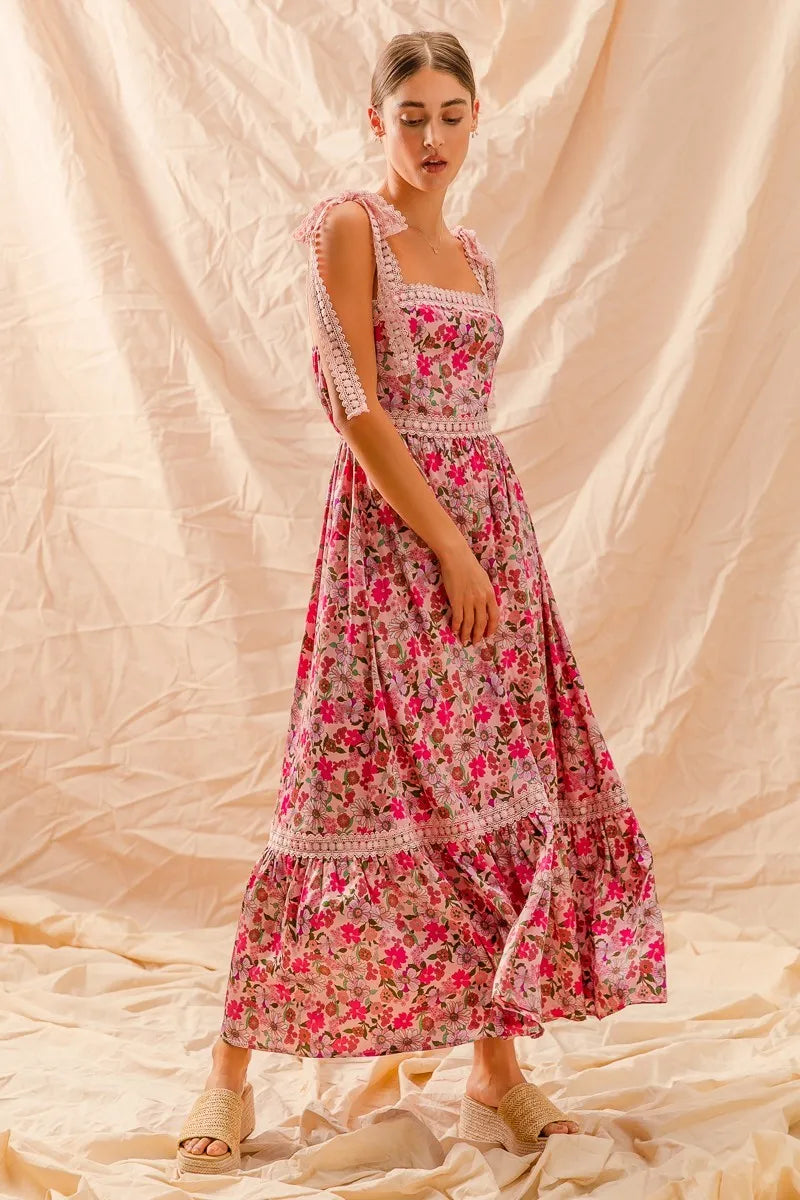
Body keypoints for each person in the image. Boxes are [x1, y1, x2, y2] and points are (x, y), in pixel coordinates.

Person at [177, 30, 667, 1174]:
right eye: (412, 117)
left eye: (452, 114)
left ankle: (498, 1073)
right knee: (336, 786)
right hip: (397, 543)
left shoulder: (478, 256)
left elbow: (468, 411)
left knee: (503, 795)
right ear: (374, 123)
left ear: (476, 117)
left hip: (489, 529)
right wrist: (445, 546)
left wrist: (482, 550)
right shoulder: (350, 227)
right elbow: (351, 397)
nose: (433, 137)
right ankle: (228, 1070)